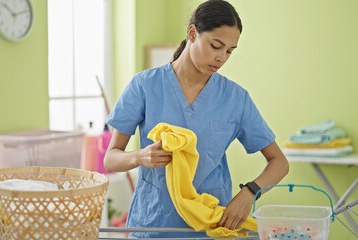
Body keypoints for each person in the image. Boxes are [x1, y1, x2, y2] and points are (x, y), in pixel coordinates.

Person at [104, 0, 289, 238]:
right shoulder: (144, 86)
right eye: (216, 46)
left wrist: (249, 193)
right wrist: (141, 156)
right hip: (153, 225)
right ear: (192, 33)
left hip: (210, 227)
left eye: (230, 51)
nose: (222, 58)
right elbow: (111, 159)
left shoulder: (235, 98)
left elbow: (279, 162)